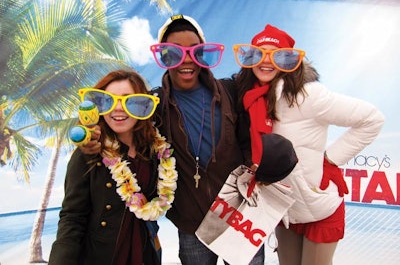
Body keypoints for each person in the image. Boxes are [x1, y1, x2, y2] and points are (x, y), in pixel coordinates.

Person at [79, 15, 263, 265]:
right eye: (175, 53)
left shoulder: (230, 90)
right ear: (164, 57)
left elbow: (271, 90)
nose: (186, 60)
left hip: (241, 216)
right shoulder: (153, 105)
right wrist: (88, 135)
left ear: (203, 54)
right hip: (192, 224)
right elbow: (115, 113)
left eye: (194, 51)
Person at [233, 24, 385, 265]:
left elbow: (372, 119)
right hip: (284, 209)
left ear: (289, 60)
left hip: (318, 206)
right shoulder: (248, 96)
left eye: (277, 54)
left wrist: (331, 159)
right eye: (259, 54)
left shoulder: (308, 95)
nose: (266, 62)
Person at [49, 69, 177, 265]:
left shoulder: (153, 151)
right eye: (108, 100)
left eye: (129, 100)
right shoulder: (89, 153)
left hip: (146, 253)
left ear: (142, 106)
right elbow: (72, 218)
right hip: (103, 256)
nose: (118, 108)